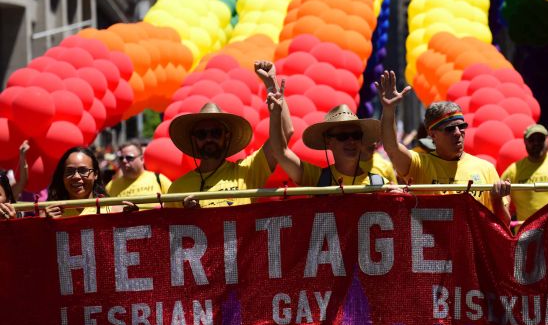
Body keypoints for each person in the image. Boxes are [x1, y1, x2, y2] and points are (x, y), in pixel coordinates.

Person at [376, 70, 508, 220]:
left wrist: (497, 201)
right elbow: (392, 148)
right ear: (432, 135)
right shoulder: (420, 165)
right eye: (450, 129)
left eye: (461, 126)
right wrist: (388, 110)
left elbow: (503, 225)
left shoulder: (486, 168)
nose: (458, 133)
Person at [167, 60, 292, 208]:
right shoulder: (176, 190)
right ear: (194, 140)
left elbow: (285, 132)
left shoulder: (247, 171)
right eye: (201, 134)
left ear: (227, 137)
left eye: (215, 132)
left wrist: (271, 83)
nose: (209, 138)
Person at [268, 91, 387, 186]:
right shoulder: (316, 178)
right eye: (342, 136)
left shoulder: (380, 185)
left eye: (356, 135)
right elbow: (280, 152)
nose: (351, 141)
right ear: (328, 142)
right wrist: (275, 113)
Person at [501, 124, 548, 223]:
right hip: (526, 233)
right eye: (532, 140)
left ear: (547, 140)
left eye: (540, 139)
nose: (536, 143)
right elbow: (502, 201)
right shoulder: (513, 171)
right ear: (525, 142)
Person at [44, 147, 110, 217]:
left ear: (95, 174)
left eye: (83, 171)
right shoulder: (48, 213)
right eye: (70, 171)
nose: (76, 176)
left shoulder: (112, 210)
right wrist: (47, 223)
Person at [105, 140, 171, 208]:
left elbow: (175, 204)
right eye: (121, 158)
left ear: (142, 159)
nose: (124, 161)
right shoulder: (111, 186)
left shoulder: (158, 179)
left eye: (129, 157)